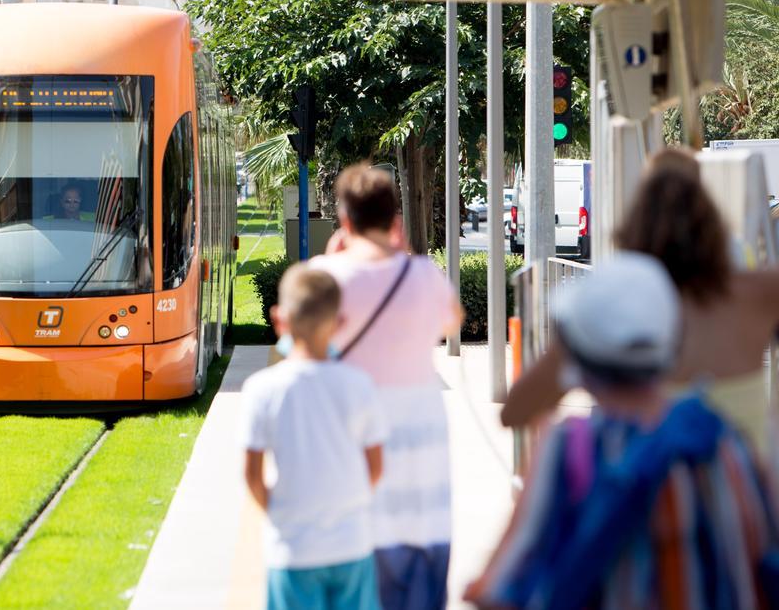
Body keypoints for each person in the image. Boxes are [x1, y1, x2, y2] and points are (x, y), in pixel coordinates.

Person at [467, 253, 779, 609]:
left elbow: (501, 587)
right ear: (671, 345)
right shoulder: (724, 443)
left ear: (579, 358)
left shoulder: (568, 448)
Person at [501, 148, 779, 456]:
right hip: (739, 500)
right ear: (711, 218)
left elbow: (514, 411)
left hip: (639, 498)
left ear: (635, 223)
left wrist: (577, 363)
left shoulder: (608, 307)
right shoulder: (760, 293)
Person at [307, 163, 462, 610]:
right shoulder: (424, 276)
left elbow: (292, 353)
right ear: (396, 221)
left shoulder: (327, 278)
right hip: (425, 491)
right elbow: (451, 320)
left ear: (345, 220)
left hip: (353, 479)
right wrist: (406, 256)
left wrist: (335, 257)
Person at [241, 264, 387, 610]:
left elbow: (252, 474)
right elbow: (376, 467)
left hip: (292, 550)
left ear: (279, 320)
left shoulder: (261, 390)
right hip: (353, 546)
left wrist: (278, 512)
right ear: (340, 324)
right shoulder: (360, 385)